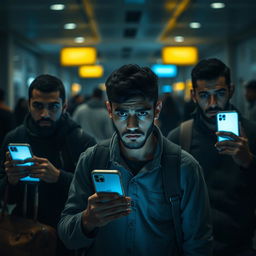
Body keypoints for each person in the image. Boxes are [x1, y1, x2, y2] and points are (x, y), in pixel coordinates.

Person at [58, 64, 212, 256]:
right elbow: (66, 236)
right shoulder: (92, 160)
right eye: (122, 113)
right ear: (109, 109)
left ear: (157, 109)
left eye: (142, 113)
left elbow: (198, 245)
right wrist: (87, 220)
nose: (132, 126)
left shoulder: (185, 167)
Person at [167, 58, 256, 256]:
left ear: (231, 91)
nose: (213, 103)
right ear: (194, 95)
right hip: (192, 246)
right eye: (205, 95)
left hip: (240, 246)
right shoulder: (180, 136)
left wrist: (249, 162)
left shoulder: (252, 133)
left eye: (220, 93)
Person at [0, 74, 96, 255]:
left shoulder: (81, 140)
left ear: (65, 106)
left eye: (53, 107)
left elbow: (94, 191)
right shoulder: (14, 138)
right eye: (38, 106)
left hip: (67, 239)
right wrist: (10, 180)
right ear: (28, 104)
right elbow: (5, 196)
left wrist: (59, 177)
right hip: (24, 236)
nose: (45, 114)